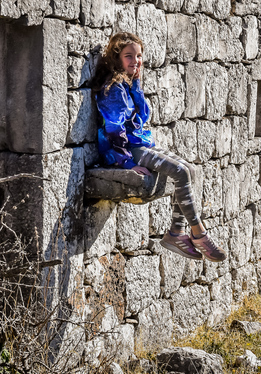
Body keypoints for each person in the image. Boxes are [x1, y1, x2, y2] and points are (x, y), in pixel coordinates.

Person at [91, 32, 226, 262]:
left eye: (139, 56)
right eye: (129, 56)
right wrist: (127, 163)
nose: (136, 61)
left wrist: (137, 82)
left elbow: (140, 119)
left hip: (140, 144)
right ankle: (198, 232)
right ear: (116, 58)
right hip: (124, 150)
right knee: (180, 172)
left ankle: (176, 232)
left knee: (190, 170)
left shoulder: (130, 83)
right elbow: (114, 129)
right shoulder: (114, 88)